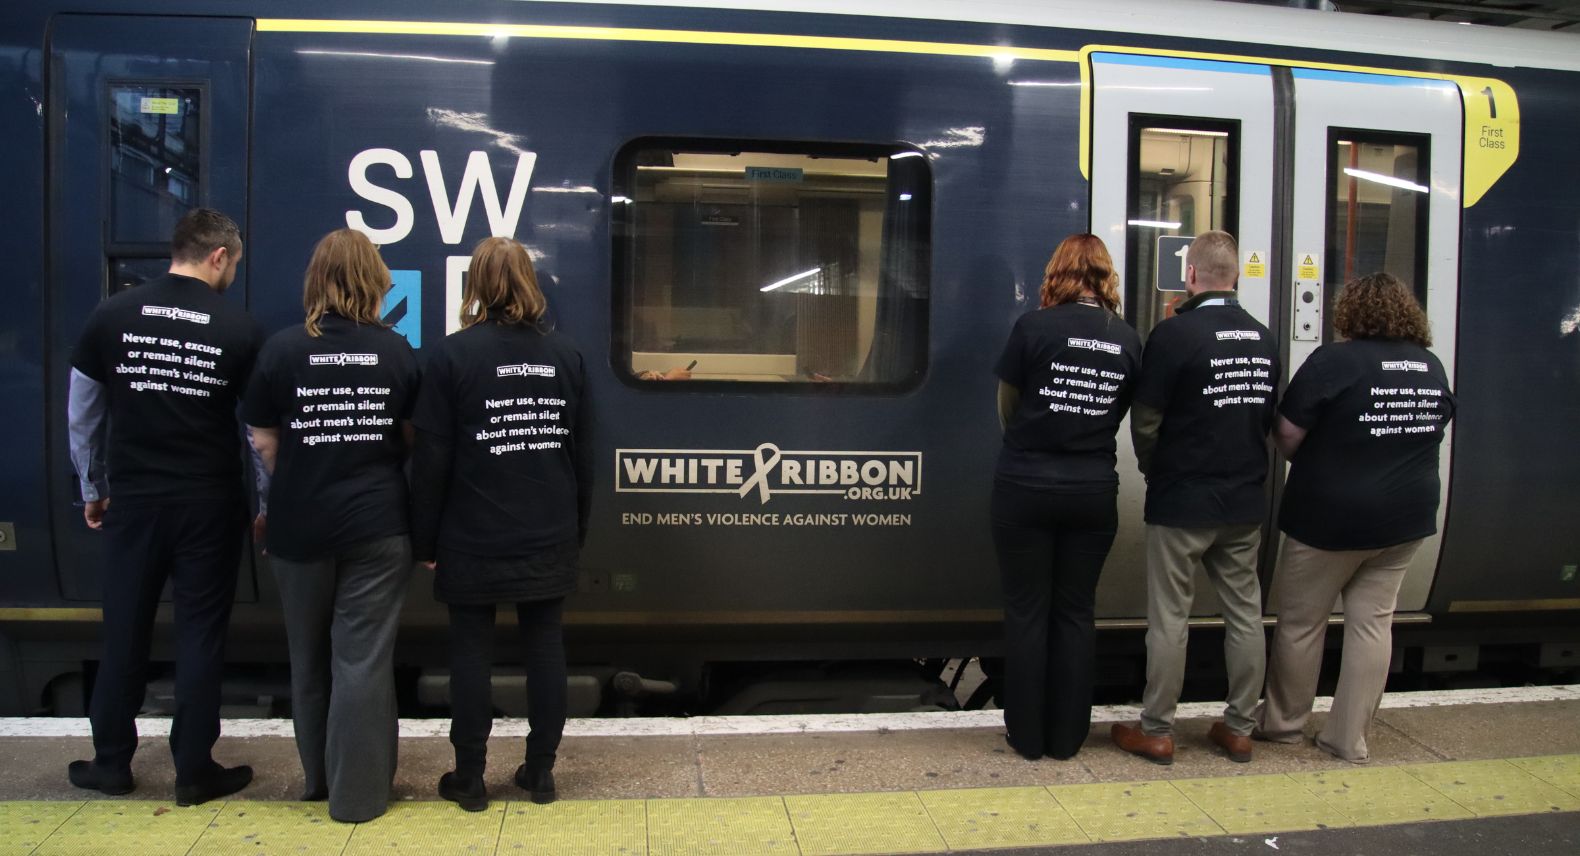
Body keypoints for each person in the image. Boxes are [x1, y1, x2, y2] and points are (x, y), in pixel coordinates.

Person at [66, 208, 263, 804]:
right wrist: (264, 502)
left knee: (124, 626)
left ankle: (111, 764)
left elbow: (84, 414)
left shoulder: (113, 314)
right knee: (200, 633)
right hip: (210, 503)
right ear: (219, 256)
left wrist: (91, 487)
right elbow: (257, 433)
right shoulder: (238, 327)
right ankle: (194, 770)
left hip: (136, 501)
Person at [242, 228, 420, 822]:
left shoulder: (283, 349)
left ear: (315, 280)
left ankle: (316, 780)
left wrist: (288, 484)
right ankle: (359, 797)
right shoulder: (396, 351)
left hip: (299, 527)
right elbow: (409, 440)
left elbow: (263, 442)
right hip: (377, 525)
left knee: (308, 659)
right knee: (363, 660)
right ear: (374, 282)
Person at [409, 236, 592, 810]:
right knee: (544, 646)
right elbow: (583, 456)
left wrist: (426, 536)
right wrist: (575, 531)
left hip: (472, 532)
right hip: (549, 529)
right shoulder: (566, 355)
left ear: (476, 287)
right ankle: (540, 772)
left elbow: (432, 457)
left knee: (469, 651)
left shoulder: (450, 356)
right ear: (529, 284)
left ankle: (469, 779)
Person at [1254, 272, 1455, 763]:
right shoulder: (1429, 366)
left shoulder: (1333, 362)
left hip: (1329, 519)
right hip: (1405, 519)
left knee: (1303, 623)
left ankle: (1283, 724)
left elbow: (1286, 432)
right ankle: (1348, 738)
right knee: (1373, 626)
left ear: (1350, 313)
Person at [1111, 231, 1279, 766]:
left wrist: (1157, 469)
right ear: (1235, 276)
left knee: (1170, 620)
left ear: (1192, 276)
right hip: (1243, 503)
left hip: (1182, 500)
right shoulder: (1263, 339)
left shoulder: (1174, 335)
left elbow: (1147, 420)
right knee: (1245, 616)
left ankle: (1157, 730)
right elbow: (1265, 418)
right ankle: (1238, 728)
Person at [992, 234, 1142, 760]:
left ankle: (1027, 737)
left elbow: (1008, 406)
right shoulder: (1126, 338)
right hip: (1092, 489)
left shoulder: (1033, 327)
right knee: (1076, 612)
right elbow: (1120, 411)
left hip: (1025, 485)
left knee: (1027, 611)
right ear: (1105, 278)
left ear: (1058, 273)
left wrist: (1037, 438)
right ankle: (1068, 738)